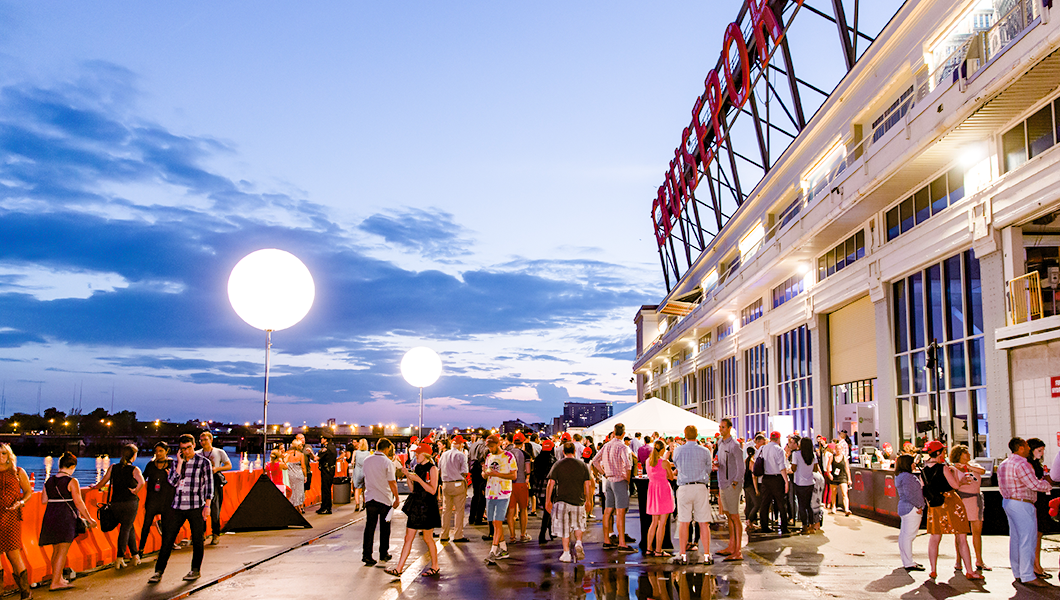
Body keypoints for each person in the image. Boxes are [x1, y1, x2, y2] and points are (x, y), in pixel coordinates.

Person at [148, 433, 214, 584]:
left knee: (197, 540)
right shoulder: (176, 463)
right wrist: (179, 464)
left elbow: (209, 485)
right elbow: (172, 482)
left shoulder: (204, 463)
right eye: (183, 449)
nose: (186, 451)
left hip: (196, 505)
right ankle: (158, 571)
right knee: (168, 539)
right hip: (177, 506)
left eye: (189, 448)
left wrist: (207, 505)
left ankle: (195, 569)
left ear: (194, 446)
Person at [999, 437, 1054, 588]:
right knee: (1027, 540)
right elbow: (1034, 484)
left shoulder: (1004, 463)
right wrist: (1048, 484)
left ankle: (1018, 572)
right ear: (1021, 447)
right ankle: (1028, 575)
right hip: (1023, 503)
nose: (1029, 449)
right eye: (1026, 446)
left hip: (1009, 501)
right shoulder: (1022, 463)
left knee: (1016, 539)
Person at [920, 440, 979, 581]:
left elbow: (923, 489)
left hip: (934, 506)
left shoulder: (923, 470)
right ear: (939, 452)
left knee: (935, 537)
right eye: (943, 451)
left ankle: (933, 570)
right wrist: (962, 481)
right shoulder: (943, 468)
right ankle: (969, 570)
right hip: (951, 502)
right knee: (961, 537)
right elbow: (955, 485)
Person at [40, 452, 97, 591]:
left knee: (56, 550)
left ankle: (58, 578)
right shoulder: (72, 481)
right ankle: (55, 583)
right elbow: (79, 502)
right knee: (62, 550)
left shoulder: (49, 481)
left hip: (50, 516)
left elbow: (43, 500)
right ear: (72, 466)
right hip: (65, 517)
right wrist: (89, 519)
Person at [386, 443, 441, 578]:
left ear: (426, 454)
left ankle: (435, 566)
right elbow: (412, 489)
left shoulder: (433, 469)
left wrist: (418, 480)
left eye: (418, 453)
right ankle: (399, 569)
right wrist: (408, 477)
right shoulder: (417, 467)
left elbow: (433, 490)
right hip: (416, 504)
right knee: (408, 537)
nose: (416, 456)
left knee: (428, 538)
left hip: (427, 505)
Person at [93, 444, 145, 568]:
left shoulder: (113, 467)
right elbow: (142, 482)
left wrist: (94, 487)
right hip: (130, 503)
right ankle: (119, 558)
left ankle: (135, 556)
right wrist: (135, 491)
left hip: (115, 503)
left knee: (129, 527)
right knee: (126, 529)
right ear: (133, 456)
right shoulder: (134, 469)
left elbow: (102, 482)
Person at [671, 425, 714, 565]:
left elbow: (676, 466)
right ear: (697, 435)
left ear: (685, 435)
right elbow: (708, 469)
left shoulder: (678, 450)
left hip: (684, 487)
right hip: (700, 487)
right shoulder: (705, 450)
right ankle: (707, 555)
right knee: (703, 523)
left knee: (684, 522)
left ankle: (682, 554)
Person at [590, 424, 635, 553]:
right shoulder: (622, 447)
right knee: (620, 512)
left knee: (608, 511)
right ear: (623, 433)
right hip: (619, 480)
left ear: (614, 432)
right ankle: (622, 543)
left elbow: (595, 461)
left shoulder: (607, 445)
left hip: (609, 480)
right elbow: (627, 465)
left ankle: (607, 540)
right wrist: (627, 480)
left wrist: (603, 473)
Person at [547, 442, 593, 563]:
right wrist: (588, 500)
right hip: (578, 500)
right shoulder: (582, 465)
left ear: (563, 452)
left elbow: (550, 483)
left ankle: (566, 552)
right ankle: (578, 542)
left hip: (561, 500)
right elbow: (587, 484)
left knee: (564, 527)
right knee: (578, 524)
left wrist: (548, 501)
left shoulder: (557, 464)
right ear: (574, 451)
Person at [0, 444, 34, 598]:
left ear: (8, 455)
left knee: (14, 555)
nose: (1, 457)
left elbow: (28, 492)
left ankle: (25, 592)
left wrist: (21, 502)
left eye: (3, 453)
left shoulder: (18, 472)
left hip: (11, 517)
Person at [950, 445, 988, 572]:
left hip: (975, 499)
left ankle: (979, 559)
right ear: (959, 455)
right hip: (962, 500)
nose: (968, 454)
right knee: (960, 534)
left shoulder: (973, 465)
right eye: (965, 453)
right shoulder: (953, 468)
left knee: (977, 531)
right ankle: (958, 560)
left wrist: (967, 466)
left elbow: (982, 470)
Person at [362, 438, 399, 566]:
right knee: (385, 528)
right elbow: (392, 482)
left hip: (370, 497)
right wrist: (397, 497)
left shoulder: (367, 460)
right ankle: (383, 553)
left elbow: (364, 477)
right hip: (384, 499)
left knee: (369, 527)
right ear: (387, 448)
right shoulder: (387, 462)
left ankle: (367, 555)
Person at [483, 435, 517, 565]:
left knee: (497, 522)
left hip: (503, 493)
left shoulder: (508, 456)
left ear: (498, 444)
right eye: (489, 447)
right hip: (490, 492)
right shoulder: (489, 457)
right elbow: (486, 472)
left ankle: (493, 550)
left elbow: (513, 475)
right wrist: (485, 474)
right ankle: (503, 549)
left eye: (492, 446)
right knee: (493, 522)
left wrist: (497, 474)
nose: (490, 449)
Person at [138, 442, 175, 560]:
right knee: (146, 525)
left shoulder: (172, 464)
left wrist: (171, 476)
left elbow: (179, 480)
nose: (158, 454)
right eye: (156, 451)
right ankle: (140, 550)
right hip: (152, 500)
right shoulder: (151, 465)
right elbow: (142, 478)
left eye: (161, 451)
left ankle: (165, 550)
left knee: (166, 525)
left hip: (167, 500)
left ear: (166, 451)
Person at [714, 418, 745, 558]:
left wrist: (736, 482)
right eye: (720, 427)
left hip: (731, 485)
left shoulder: (735, 445)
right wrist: (717, 464)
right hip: (723, 483)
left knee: (734, 516)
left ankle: (737, 551)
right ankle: (732, 546)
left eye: (723, 427)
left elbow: (741, 466)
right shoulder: (720, 442)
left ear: (729, 428)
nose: (721, 429)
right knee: (729, 516)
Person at [1027, 438, 1055, 580]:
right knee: (1035, 534)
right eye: (1039, 450)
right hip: (1036, 500)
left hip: (1040, 500)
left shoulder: (1035, 464)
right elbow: (1034, 483)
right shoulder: (1029, 464)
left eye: (1043, 450)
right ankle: (1035, 565)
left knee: (1038, 534)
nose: (1042, 453)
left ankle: (1037, 564)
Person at [198, 432, 231, 545]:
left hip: (215, 482)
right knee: (200, 509)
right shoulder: (198, 454)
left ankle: (215, 534)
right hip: (201, 483)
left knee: (215, 509)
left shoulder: (219, 452)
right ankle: (201, 534)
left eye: (205, 440)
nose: (203, 442)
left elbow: (229, 465)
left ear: (211, 440)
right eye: (201, 440)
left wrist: (217, 469)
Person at [894, 454, 925, 571]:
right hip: (912, 508)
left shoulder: (900, 476)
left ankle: (906, 560)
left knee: (904, 535)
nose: (914, 464)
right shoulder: (908, 477)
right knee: (909, 536)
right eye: (912, 462)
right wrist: (920, 505)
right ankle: (909, 562)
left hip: (904, 507)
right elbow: (911, 494)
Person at [644, 440, 675, 557]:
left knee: (654, 522)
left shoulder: (648, 461)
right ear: (662, 450)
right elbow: (671, 477)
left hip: (652, 490)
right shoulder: (664, 462)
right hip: (663, 491)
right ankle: (658, 550)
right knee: (662, 523)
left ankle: (648, 548)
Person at [438, 435, 469, 543]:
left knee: (446, 510)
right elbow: (465, 471)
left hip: (446, 484)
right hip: (458, 483)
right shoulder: (461, 455)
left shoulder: (444, 454)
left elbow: (439, 468)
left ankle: (444, 534)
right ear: (460, 444)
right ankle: (458, 535)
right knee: (459, 511)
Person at [758, 431, 790, 534]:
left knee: (765, 503)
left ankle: (764, 526)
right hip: (776, 478)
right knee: (781, 503)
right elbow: (782, 467)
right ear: (779, 438)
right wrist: (786, 481)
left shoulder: (763, 448)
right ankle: (784, 527)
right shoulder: (779, 449)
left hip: (766, 478)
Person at [506, 433, 532, 543]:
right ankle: (522, 534)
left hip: (509, 484)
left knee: (511, 511)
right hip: (522, 484)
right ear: (522, 442)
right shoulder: (526, 454)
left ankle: (512, 536)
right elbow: (528, 470)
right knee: (523, 509)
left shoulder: (507, 454)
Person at [791, 437, 817, 535]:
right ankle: (811, 526)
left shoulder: (796, 454)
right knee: (808, 505)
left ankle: (804, 527)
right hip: (810, 483)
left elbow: (793, 468)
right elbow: (815, 469)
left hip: (799, 483)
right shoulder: (813, 455)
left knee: (801, 506)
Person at [534, 438, 557, 543]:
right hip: (549, 488)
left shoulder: (538, 459)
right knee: (548, 512)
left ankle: (551, 532)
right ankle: (542, 535)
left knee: (546, 510)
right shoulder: (552, 460)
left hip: (539, 488)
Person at [468, 434, 488, 525]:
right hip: (480, 468)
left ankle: (471, 517)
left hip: (473, 469)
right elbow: (482, 458)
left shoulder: (473, 444)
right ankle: (478, 518)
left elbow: (468, 457)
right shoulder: (484, 446)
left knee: (475, 494)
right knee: (482, 494)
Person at [827, 443, 851, 516]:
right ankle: (833, 507)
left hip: (842, 476)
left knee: (844, 493)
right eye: (837, 449)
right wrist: (829, 474)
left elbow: (847, 468)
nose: (838, 450)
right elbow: (828, 466)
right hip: (834, 476)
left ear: (842, 450)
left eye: (840, 449)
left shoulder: (844, 458)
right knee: (834, 492)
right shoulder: (832, 457)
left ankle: (846, 509)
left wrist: (849, 478)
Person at [317, 435, 337, 515]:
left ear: (326, 440)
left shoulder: (326, 448)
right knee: (327, 488)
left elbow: (317, 458)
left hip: (326, 470)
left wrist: (311, 453)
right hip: (331, 469)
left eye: (322, 438)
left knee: (325, 489)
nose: (321, 439)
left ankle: (326, 508)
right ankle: (324, 507)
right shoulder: (333, 447)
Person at [286, 440, 307, 513]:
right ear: (298, 446)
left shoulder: (287, 453)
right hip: (299, 475)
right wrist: (305, 476)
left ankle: (292, 506)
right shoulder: (301, 455)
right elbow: (303, 467)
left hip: (290, 474)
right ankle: (299, 507)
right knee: (299, 491)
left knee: (292, 491)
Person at [351, 439, 371, 512]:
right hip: (365, 472)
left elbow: (352, 462)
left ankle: (357, 504)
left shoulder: (355, 452)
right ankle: (364, 503)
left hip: (358, 472)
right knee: (364, 489)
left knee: (357, 488)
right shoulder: (368, 453)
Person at [743, 446, 759, 530]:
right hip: (751, 485)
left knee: (748, 503)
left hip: (745, 484)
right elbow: (754, 476)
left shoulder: (745, 461)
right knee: (756, 504)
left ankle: (748, 521)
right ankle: (750, 519)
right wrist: (756, 489)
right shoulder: (752, 462)